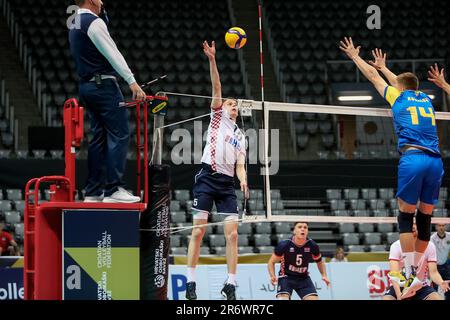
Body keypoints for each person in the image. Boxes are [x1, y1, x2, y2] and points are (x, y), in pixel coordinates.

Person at [340, 39, 444, 299]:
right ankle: (416, 273)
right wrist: (387, 69)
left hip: (413, 159)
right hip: (436, 161)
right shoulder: (426, 99)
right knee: (425, 218)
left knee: (405, 217)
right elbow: (405, 81)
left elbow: (374, 77)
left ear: (399, 87)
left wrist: (355, 57)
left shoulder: (398, 96)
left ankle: (409, 271)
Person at [185, 41, 249, 300]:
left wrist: (243, 181)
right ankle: (191, 282)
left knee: (232, 234)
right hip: (207, 179)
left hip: (226, 185)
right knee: (198, 231)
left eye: (235, 105)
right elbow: (218, 87)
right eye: (230, 104)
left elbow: (240, 166)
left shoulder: (242, 136)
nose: (233, 106)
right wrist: (212, 59)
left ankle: (230, 284)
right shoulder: (217, 117)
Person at [69, 0, 146, 203]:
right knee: (120, 134)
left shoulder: (75, 21)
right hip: (103, 87)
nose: (103, 1)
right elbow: (113, 53)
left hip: (87, 87)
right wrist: (132, 82)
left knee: (99, 138)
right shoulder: (93, 23)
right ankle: (113, 189)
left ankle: (94, 192)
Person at [383, 223, 449, 300]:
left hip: (420, 286)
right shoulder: (396, 246)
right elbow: (394, 274)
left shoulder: (430, 246)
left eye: (415, 224)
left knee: (437, 298)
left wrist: (441, 282)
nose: (413, 226)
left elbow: (433, 272)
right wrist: (399, 296)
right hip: (400, 286)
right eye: (410, 223)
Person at [268, 222, 330, 300]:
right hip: (286, 277)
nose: (303, 229)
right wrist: (272, 276)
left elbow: (319, 261)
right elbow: (271, 262)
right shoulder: (285, 244)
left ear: (307, 231)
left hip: (303, 278)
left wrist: (324, 275)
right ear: (294, 231)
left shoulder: (312, 245)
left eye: (305, 227)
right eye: (300, 227)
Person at [430, 224, 450, 300]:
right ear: (436, 227)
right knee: (435, 288)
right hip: (435, 266)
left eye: (443, 225)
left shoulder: (449, 236)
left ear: (446, 226)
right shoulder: (432, 238)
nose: (441, 227)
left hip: (446, 265)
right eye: (439, 225)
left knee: (448, 286)